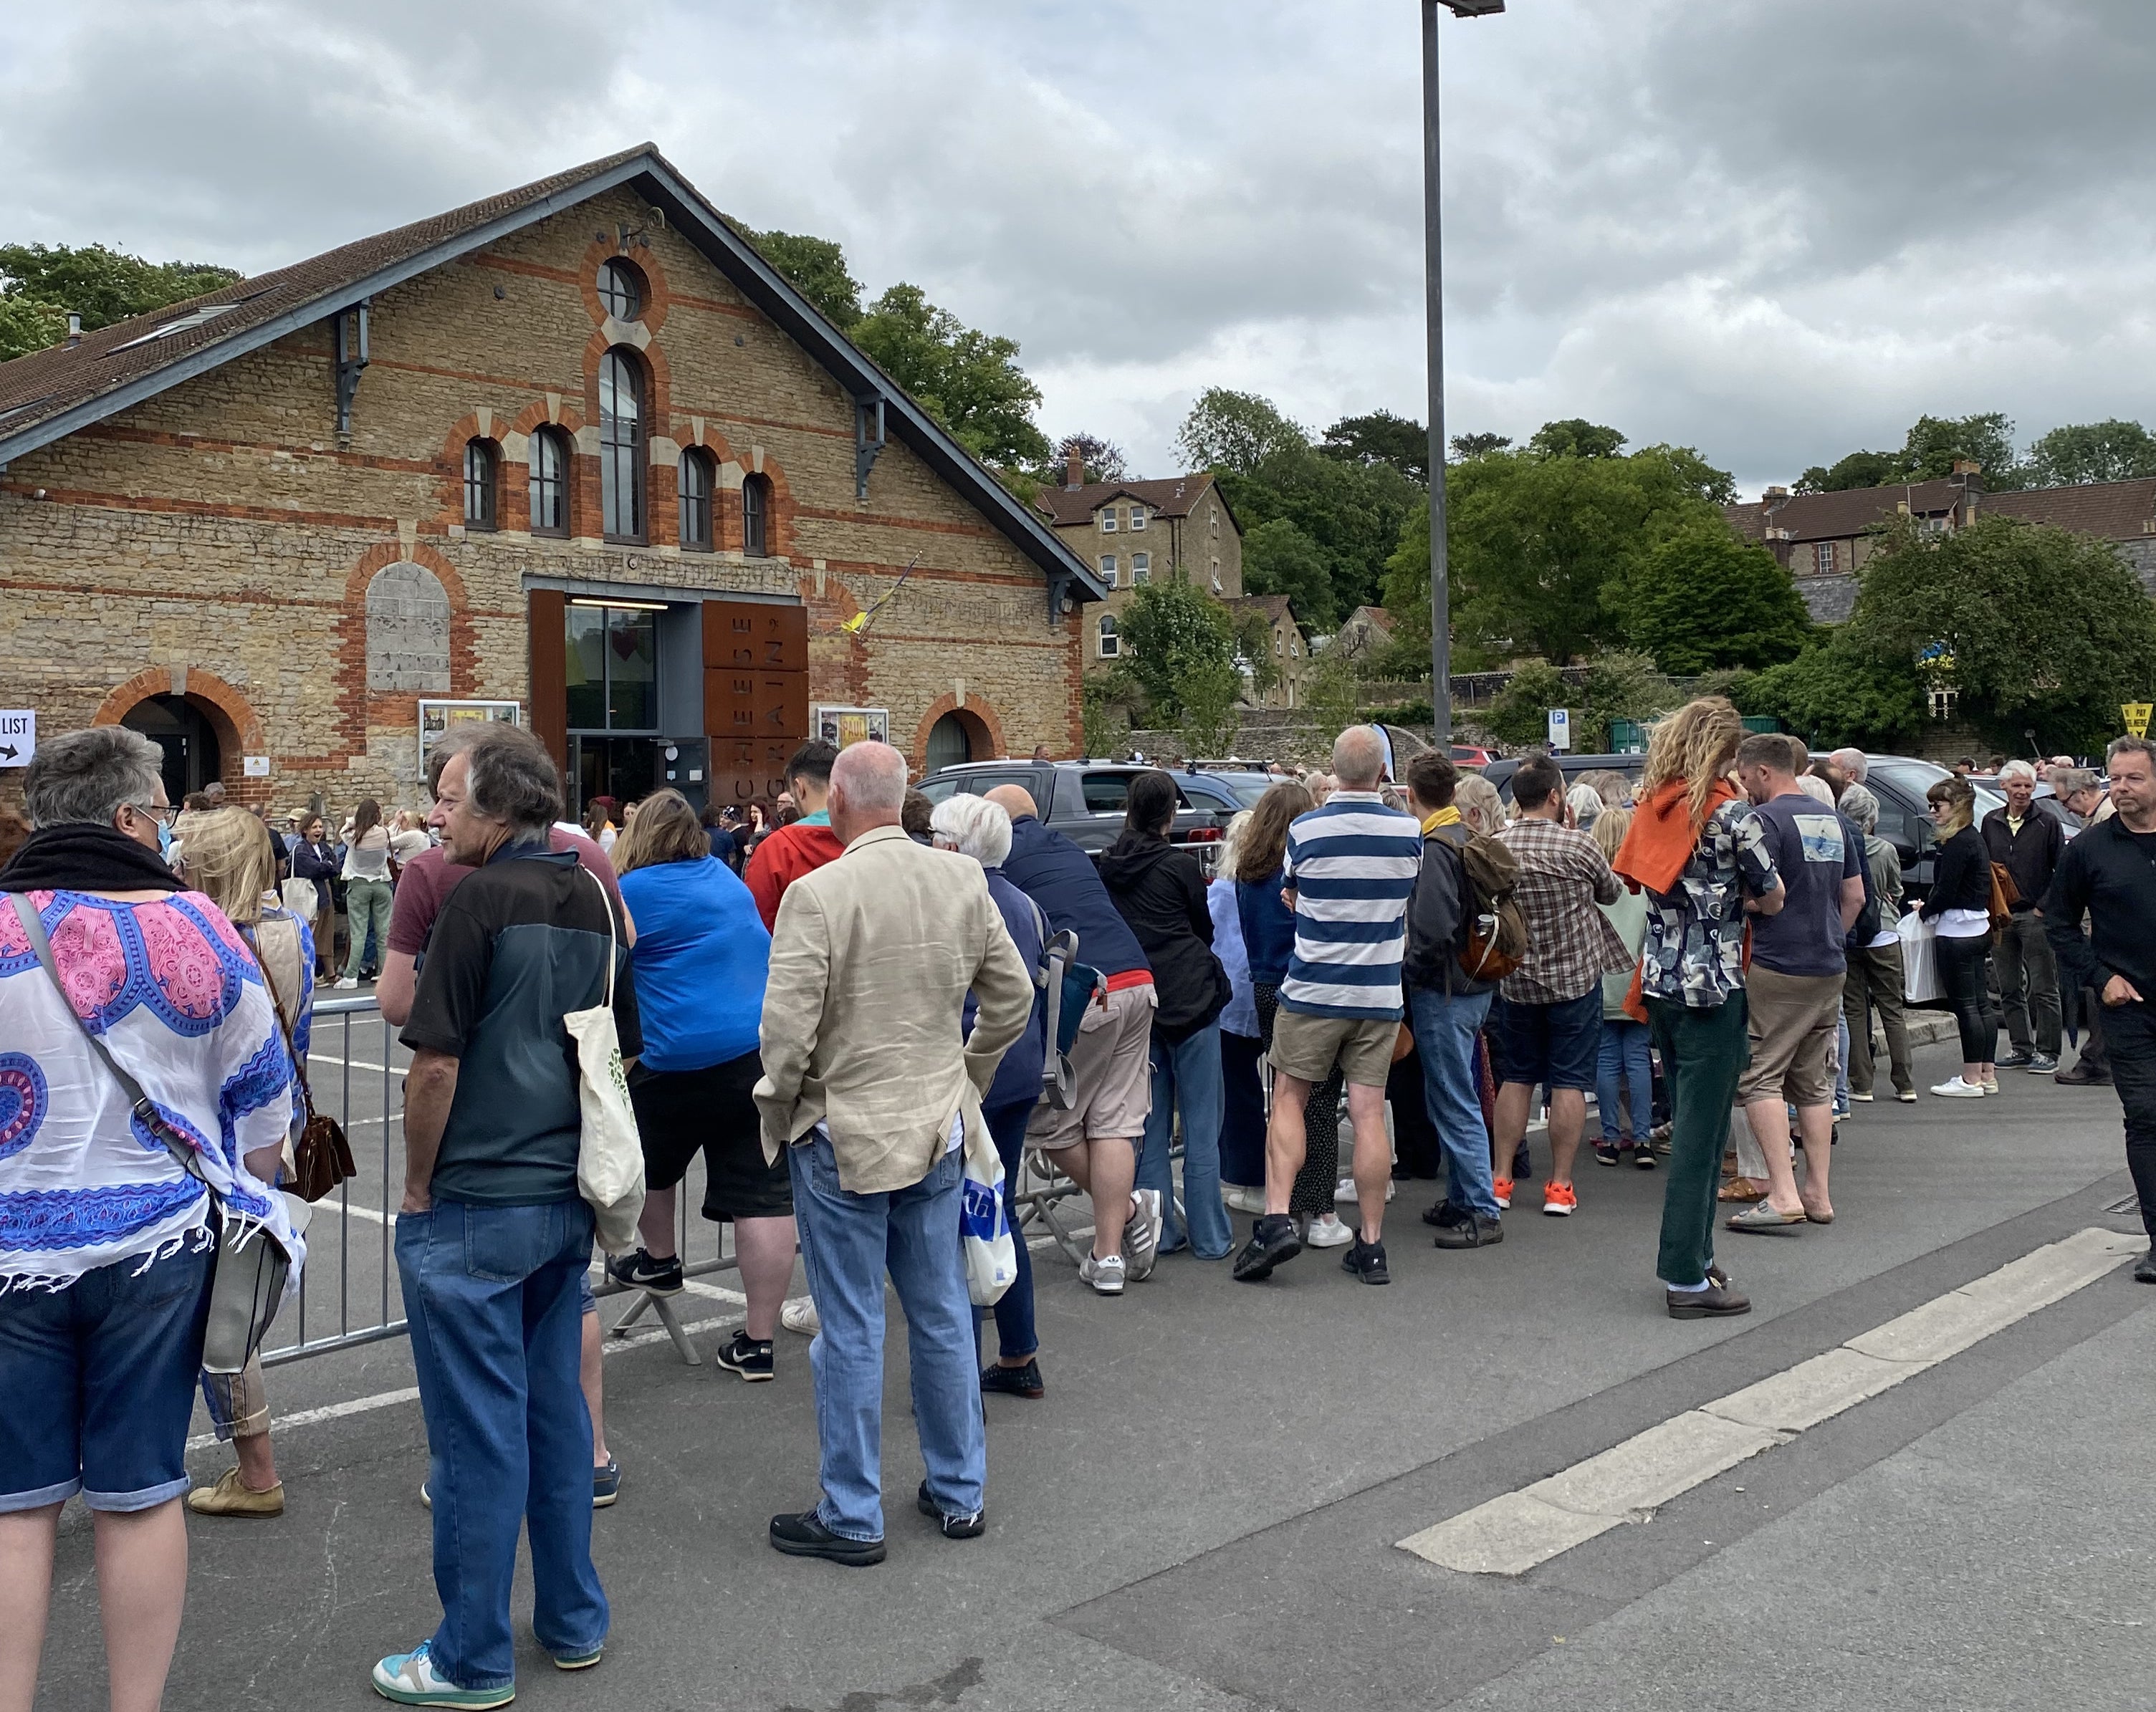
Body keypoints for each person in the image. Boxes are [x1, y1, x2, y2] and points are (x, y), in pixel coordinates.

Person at [0, 727, 301, 1712]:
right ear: (131, 816)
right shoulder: (202, 929)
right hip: (159, 1248)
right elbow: (265, 1118)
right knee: (139, 1491)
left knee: (13, 1502)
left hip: (8, 1250)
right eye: (166, 809)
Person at [373, 723, 636, 1705]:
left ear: (496, 808)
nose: (439, 816)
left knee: (477, 1434)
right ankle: (572, 1617)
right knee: (555, 1414)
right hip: (563, 1190)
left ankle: (470, 1654)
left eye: (451, 799)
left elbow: (432, 1061)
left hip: (478, 1195)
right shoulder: (596, 896)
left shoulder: (476, 900)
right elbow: (620, 1047)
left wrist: (416, 1183)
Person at [760, 743, 1033, 1566]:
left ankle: (852, 1509)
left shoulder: (817, 894)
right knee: (942, 1311)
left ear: (837, 798)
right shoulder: (960, 879)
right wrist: (965, 1080)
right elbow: (1012, 996)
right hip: (934, 1123)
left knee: (850, 1325)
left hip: (843, 1129)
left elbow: (785, 1034)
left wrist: (781, 1108)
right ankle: (960, 1488)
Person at [603, 791, 793, 1380]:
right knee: (762, 1198)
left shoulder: (629, 892)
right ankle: (758, 1341)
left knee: (646, 1163)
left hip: (673, 1055)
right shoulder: (723, 877)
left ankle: (659, 1260)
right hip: (753, 1051)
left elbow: (610, 962)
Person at [1233, 726, 1422, 1286]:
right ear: (1382, 771)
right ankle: (1370, 1244)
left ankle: (1275, 1222)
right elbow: (1401, 894)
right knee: (1367, 1113)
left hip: (1313, 989)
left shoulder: (1305, 829)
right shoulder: (1407, 831)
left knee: (1289, 1097)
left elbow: (1292, 892)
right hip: (1377, 992)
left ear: (1333, 771)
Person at [1614, 699, 1781, 1318]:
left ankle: (1699, 1258)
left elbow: (1637, 881)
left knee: (1696, 1128)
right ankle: (1685, 1274)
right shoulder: (1732, 816)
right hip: (1713, 988)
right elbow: (1773, 896)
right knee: (1699, 1140)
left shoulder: (1653, 808)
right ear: (1724, 753)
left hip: (1659, 982)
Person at [177, 808, 317, 1520]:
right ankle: (250, 1464)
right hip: (274, 1124)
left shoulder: (195, 936)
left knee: (218, 1312)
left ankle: (257, 1470)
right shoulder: (291, 930)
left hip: (207, 1136)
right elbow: (303, 1022)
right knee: (232, 1299)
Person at [986, 783, 1165, 1294]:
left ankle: (1127, 1213)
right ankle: (1109, 1253)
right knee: (1113, 1120)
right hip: (1135, 979)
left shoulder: (1003, 863)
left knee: (1052, 1121)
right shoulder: (1064, 846)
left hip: (1084, 989)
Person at [927, 795, 1050, 1398]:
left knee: (958, 1220)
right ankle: (1018, 1351)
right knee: (995, 1205)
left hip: (971, 1071)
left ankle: (957, 1376)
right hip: (1021, 1067)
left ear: (951, 847)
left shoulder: (955, 899)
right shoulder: (1023, 902)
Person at [1724, 734, 1863, 1233]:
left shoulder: (1762, 821)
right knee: (1813, 1081)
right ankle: (1817, 1193)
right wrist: (1829, 938)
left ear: (1763, 771)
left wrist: (1746, 909)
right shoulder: (1833, 819)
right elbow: (1854, 896)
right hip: (1827, 962)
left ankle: (1781, 1192)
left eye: (1743, 778)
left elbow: (1756, 892)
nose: (1743, 789)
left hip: (1776, 959)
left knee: (1758, 1075)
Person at [1487, 754, 1632, 1218]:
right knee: (1569, 1080)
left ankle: (1501, 1179)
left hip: (1517, 981)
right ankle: (1560, 1185)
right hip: (1573, 979)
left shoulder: (1496, 847)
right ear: (1556, 797)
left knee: (1517, 1077)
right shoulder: (1579, 847)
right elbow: (1611, 893)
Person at [1099, 772, 1235, 1261]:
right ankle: (1211, 1236)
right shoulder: (1177, 867)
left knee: (1149, 1125)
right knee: (1201, 1126)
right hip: (1192, 996)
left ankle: (1159, 1232)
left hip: (1141, 998)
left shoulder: (1108, 866)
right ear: (1170, 815)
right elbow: (1203, 928)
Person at [2044, 736, 2156, 1281]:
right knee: (2145, 1118)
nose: (2121, 788)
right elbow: (2058, 924)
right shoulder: (2088, 850)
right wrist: (2098, 977)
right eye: (2115, 778)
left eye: (2133, 778)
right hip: (2128, 1007)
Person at [1231, 779, 1351, 1246]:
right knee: (1319, 1102)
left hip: (1264, 985)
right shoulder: (1303, 873)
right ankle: (1320, 1212)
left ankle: (1283, 1202)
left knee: (1282, 1099)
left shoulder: (1246, 872)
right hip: (1307, 988)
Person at [1400, 751, 1508, 1249]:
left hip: (1442, 989)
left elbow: (1433, 928)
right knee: (1451, 1092)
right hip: (1474, 982)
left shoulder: (1434, 848)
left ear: (1410, 794)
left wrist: (1410, 976)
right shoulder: (1465, 836)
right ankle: (1463, 1196)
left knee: (1452, 1097)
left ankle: (1481, 1209)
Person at [1920, 775, 2001, 1099]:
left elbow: (1946, 892)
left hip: (1956, 931)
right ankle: (1987, 1074)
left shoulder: (1956, 843)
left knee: (1965, 1006)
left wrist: (1924, 912)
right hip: (1978, 927)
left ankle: (1970, 1079)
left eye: (1937, 805)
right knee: (1981, 1005)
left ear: (1957, 806)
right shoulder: (1974, 837)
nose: (1932, 811)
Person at [1983, 759, 2064, 1074]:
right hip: (2002, 916)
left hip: (2034, 916)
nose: (2022, 792)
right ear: (2004, 787)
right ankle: (2020, 1047)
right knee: (2009, 987)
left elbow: (2062, 869)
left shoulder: (2048, 822)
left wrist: (2043, 906)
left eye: (2028, 786)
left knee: (2045, 986)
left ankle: (2048, 1051)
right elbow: (1986, 868)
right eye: (2016, 785)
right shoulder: (1991, 822)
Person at [1837, 783, 1916, 1104]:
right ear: (1872, 818)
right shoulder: (1886, 850)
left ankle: (1862, 1083)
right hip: (1884, 933)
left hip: (1852, 932)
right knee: (1892, 1010)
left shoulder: (1841, 846)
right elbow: (1895, 890)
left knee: (1855, 1010)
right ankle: (1905, 1082)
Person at [1210, 811, 1269, 1212]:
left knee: (1240, 1091)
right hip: (1268, 989)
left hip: (1232, 999)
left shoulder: (1222, 890)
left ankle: (1251, 1177)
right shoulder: (1272, 885)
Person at [1591, 807, 1654, 1168]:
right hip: (1636, 980)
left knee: (1606, 1061)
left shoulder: (1594, 884)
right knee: (1639, 1060)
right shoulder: (1641, 882)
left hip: (1601, 982)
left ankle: (1612, 1138)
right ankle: (1643, 1139)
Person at [2049, 766, 2114, 1085]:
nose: (2066, 808)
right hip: (2100, 921)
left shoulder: (2106, 820)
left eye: (2066, 801)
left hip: (2102, 925)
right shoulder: (2099, 818)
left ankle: (2098, 1061)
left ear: (2084, 793)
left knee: (2100, 991)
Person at [334, 797, 393, 989]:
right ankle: (384, 973)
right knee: (383, 932)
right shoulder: (384, 834)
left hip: (358, 884)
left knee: (358, 932)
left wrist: (355, 819)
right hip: (381, 883)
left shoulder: (353, 836)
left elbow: (343, 830)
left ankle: (351, 976)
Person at [290, 812, 340, 979]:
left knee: (326, 934)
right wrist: (326, 866)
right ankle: (307, 976)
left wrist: (325, 866)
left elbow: (336, 867)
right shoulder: (300, 849)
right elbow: (313, 869)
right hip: (308, 894)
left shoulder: (325, 848)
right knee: (310, 934)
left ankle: (330, 973)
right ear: (305, 830)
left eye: (320, 827)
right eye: (314, 827)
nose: (318, 830)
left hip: (325, 893)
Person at [700, 800, 739, 871]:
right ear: (715, 819)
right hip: (723, 871)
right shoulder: (725, 835)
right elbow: (732, 860)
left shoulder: (697, 836)